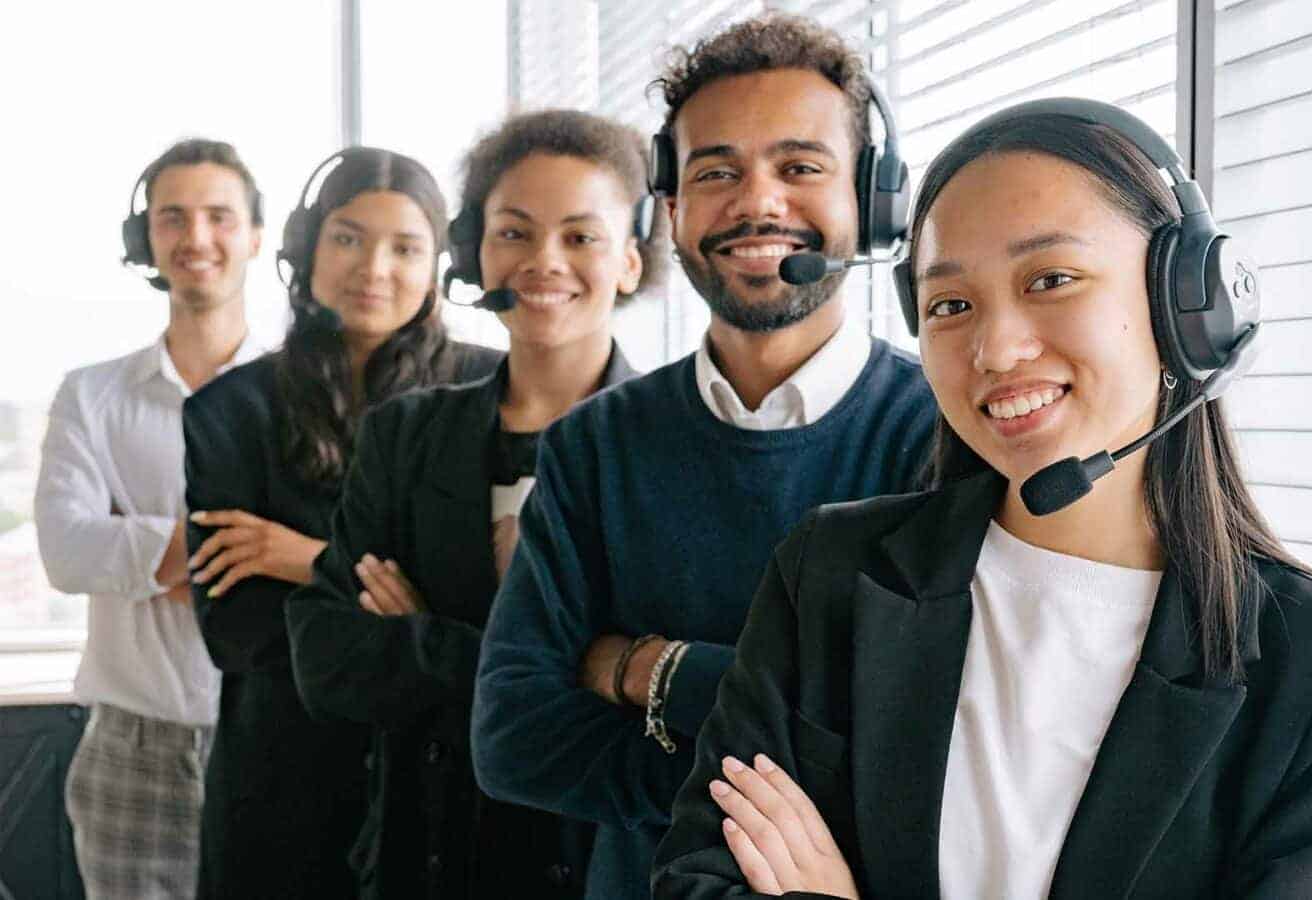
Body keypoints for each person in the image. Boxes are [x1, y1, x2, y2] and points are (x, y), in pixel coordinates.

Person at [652, 99, 1312, 900]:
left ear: (1187, 305)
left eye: (1050, 279)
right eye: (950, 305)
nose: (995, 348)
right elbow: (696, 883)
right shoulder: (833, 574)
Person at [472, 14, 938, 900]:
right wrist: (788, 781)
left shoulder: (942, 437)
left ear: (870, 200)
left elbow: (921, 746)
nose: (758, 202)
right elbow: (514, 738)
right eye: (716, 170)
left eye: (800, 167)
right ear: (673, 209)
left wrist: (640, 670)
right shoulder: (593, 445)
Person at [283, 109, 664, 900]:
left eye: (581, 236)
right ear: (474, 251)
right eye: (514, 232)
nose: (543, 261)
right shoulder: (406, 435)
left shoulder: (675, 445)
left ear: (630, 259)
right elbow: (326, 658)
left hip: (604, 863)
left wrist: (425, 636)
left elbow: (675, 694)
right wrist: (573, 667)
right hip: (425, 855)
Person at [182, 146, 500, 899]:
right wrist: (415, 612)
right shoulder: (229, 412)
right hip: (281, 786)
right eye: (348, 238)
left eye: (405, 247)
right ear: (306, 250)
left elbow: (499, 618)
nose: (374, 267)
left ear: (439, 265)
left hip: (449, 778)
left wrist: (305, 560)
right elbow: (240, 632)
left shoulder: (495, 390)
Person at [34, 138, 267, 899]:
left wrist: (143, 555)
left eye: (219, 216)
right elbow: (68, 554)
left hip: (275, 734)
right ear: (148, 239)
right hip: (131, 744)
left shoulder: (299, 393)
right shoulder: (90, 395)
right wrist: (233, 552)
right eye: (173, 217)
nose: (196, 238)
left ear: (256, 237)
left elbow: (326, 558)